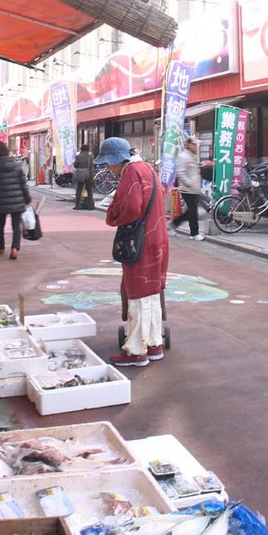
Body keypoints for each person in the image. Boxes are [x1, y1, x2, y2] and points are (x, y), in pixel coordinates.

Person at [98, 136, 169, 366]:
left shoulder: (131, 173)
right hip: (157, 238)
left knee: (137, 294)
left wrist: (112, 214)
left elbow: (128, 207)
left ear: (118, 159)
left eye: (109, 163)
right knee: (151, 292)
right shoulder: (147, 168)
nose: (108, 168)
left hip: (140, 242)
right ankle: (154, 344)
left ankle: (137, 350)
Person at [0, 140, 31, 259]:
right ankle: (15, 248)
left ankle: (1, 247)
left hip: (1, 199)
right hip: (17, 199)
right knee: (16, 226)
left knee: (0, 225)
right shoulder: (16, 165)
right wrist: (27, 198)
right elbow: (23, 183)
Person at [170, 135, 205, 240]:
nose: (196, 147)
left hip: (193, 188)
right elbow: (181, 172)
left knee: (190, 211)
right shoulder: (184, 157)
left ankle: (174, 224)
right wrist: (189, 183)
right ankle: (194, 233)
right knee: (193, 210)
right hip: (187, 189)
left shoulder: (192, 156)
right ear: (189, 145)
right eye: (194, 144)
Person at [73, 144, 94, 210]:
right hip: (89, 175)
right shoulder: (91, 156)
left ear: (81, 149)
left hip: (80, 174)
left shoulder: (78, 156)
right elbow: (92, 165)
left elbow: (75, 165)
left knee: (79, 190)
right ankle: (90, 206)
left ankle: (77, 205)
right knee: (89, 190)